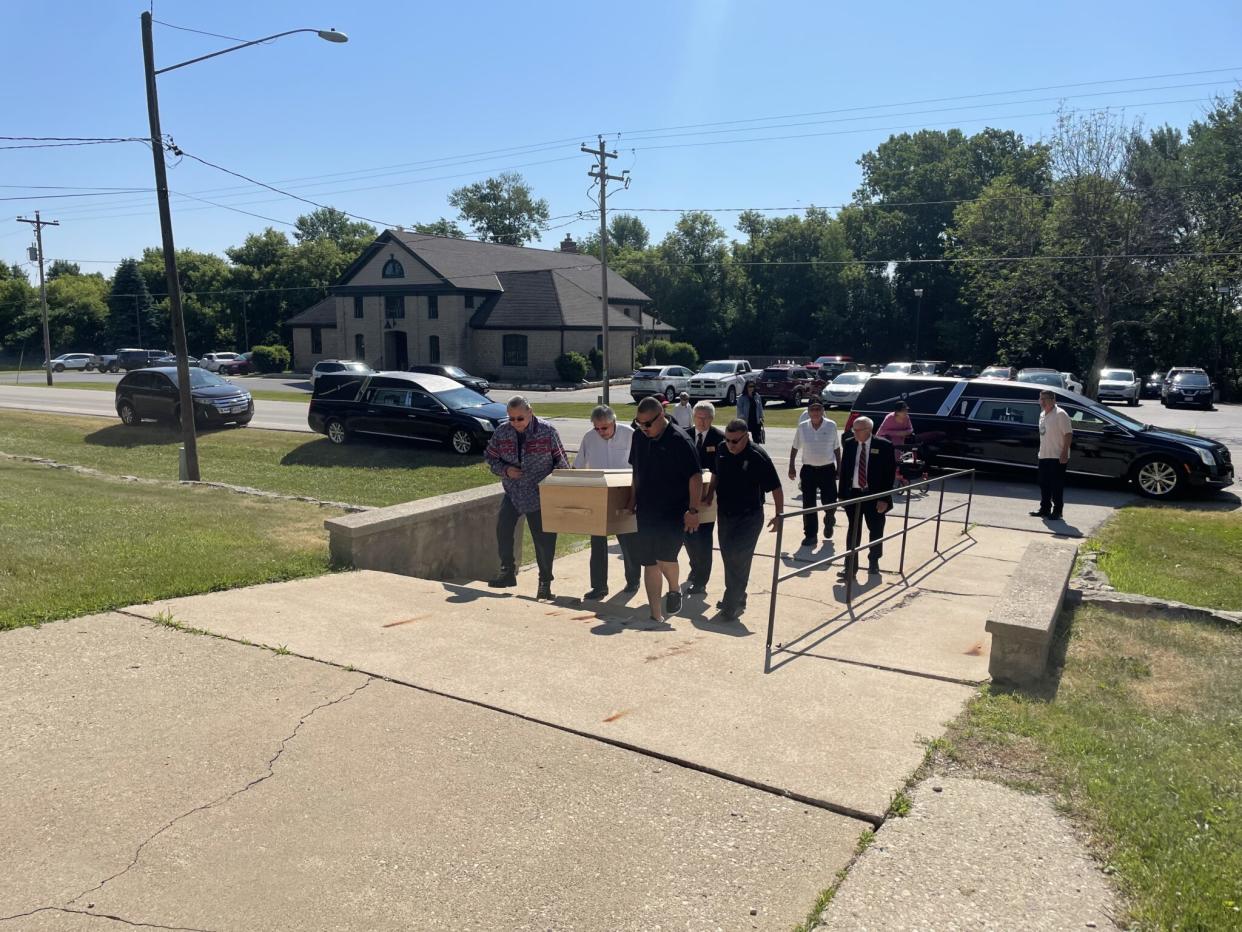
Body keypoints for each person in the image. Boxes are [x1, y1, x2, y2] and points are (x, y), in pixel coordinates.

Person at [484, 395, 569, 600]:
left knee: (543, 540)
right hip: (514, 491)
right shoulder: (502, 432)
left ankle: (545, 583)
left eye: (519, 418)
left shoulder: (547, 431)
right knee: (503, 529)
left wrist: (556, 489)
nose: (515, 423)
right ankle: (507, 572)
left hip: (540, 493)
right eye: (511, 418)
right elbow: (490, 457)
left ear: (530, 412)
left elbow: (562, 462)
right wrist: (505, 470)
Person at [627, 395, 703, 622]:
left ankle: (674, 588)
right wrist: (631, 500)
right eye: (638, 423)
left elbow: (695, 477)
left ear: (661, 416)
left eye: (647, 424)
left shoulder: (680, 440)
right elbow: (635, 472)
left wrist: (693, 511)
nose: (643, 428)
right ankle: (656, 615)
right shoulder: (638, 438)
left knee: (664, 558)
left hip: (672, 512)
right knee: (649, 562)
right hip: (646, 511)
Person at [707, 418, 784, 620]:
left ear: (746, 437)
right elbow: (716, 473)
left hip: (749, 517)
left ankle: (731, 604)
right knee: (728, 556)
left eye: (735, 441)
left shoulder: (758, 456)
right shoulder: (722, 448)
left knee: (739, 557)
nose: (731, 445)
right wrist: (709, 494)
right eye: (728, 439)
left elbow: (776, 488)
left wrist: (779, 515)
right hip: (725, 514)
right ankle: (737, 595)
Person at [574, 405, 641, 599]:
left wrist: (633, 499)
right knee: (597, 543)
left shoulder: (631, 434)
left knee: (628, 541)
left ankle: (633, 580)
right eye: (597, 428)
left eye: (604, 428)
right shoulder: (589, 437)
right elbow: (578, 466)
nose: (600, 432)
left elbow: (640, 467)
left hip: (625, 493)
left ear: (613, 422)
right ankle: (599, 586)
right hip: (598, 494)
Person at [837, 416, 896, 579]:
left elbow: (889, 475)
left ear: (868, 430)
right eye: (853, 430)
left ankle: (874, 562)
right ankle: (849, 568)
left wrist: (884, 499)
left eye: (857, 430)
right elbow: (845, 471)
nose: (854, 433)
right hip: (854, 495)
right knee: (853, 532)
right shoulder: (849, 444)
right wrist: (841, 495)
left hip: (875, 496)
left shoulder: (883, 446)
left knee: (876, 529)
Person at [683, 401, 725, 595]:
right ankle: (695, 567)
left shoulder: (720, 439)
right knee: (689, 537)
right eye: (699, 417)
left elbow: (721, 470)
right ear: (693, 417)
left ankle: (701, 580)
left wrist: (710, 493)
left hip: (710, 497)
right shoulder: (684, 436)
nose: (702, 420)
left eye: (706, 417)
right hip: (687, 496)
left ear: (712, 418)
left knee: (704, 538)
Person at [788, 399, 842, 548]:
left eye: (818, 409)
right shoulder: (802, 427)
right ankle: (811, 535)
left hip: (827, 470)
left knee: (830, 501)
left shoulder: (831, 425)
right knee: (808, 504)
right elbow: (794, 447)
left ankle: (829, 519)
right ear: (808, 411)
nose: (816, 412)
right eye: (813, 409)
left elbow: (837, 448)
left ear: (823, 410)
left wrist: (840, 467)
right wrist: (791, 466)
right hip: (809, 470)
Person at [1031, 389, 1073, 520]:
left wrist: (1064, 452)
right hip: (1044, 454)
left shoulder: (1060, 414)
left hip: (1057, 456)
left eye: (1045, 399)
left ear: (1053, 400)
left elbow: (1068, 434)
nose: (1042, 402)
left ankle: (1058, 510)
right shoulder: (1042, 414)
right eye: (1040, 399)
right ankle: (1044, 508)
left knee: (1056, 484)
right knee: (1043, 483)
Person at [876, 401, 916, 486]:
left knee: (903, 458)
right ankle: (891, 475)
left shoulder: (907, 417)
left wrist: (904, 433)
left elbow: (911, 429)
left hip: (900, 441)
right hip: (886, 441)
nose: (906, 412)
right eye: (904, 410)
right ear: (897, 411)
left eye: (906, 410)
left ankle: (899, 474)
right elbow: (882, 431)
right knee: (891, 458)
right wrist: (898, 433)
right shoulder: (889, 417)